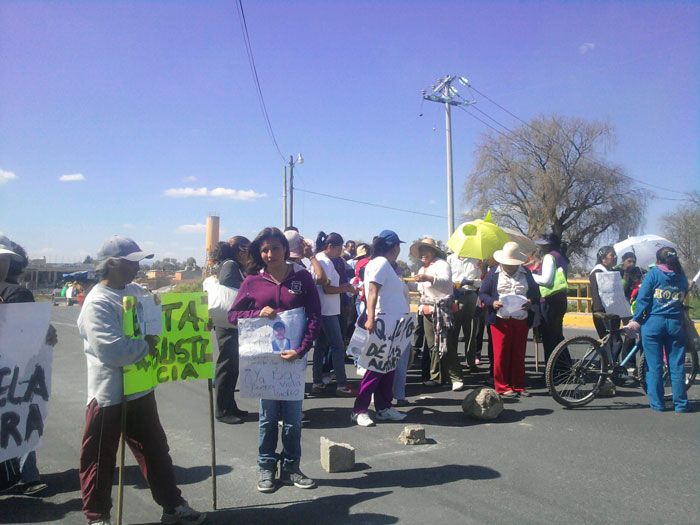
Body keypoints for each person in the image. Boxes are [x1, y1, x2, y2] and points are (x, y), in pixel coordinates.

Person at [77, 235, 205, 525]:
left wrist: (190, 320)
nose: (137, 268)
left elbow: (158, 315)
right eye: (131, 263)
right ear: (110, 264)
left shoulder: (134, 291)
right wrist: (148, 344)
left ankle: (173, 506)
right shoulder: (97, 303)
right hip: (108, 392)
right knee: (99, 458)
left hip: (139, 388)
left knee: (156, 450)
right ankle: (97, 517)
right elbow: (113, 351)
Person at [228, 227, 321, 492]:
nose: (270, 254)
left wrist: (302, 349)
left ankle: (292, 466)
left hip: (293, 359)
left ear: (285, 249)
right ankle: (266, 467)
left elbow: (315, 316)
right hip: (264, 363)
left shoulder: (302, 278)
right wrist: (258, 312)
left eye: (275, 248)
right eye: (265, 250)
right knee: (268, 418)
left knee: (293, 418)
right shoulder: (251, 282)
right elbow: (234, 316)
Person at [0, 240, 58, 496]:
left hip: (11, 374)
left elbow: (33, 333)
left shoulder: (12, 294)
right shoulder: (17, 293)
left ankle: (23, 474)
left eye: (5, 260)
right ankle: (26, 475)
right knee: (18, 417)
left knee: (15, 416)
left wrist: (44, 331)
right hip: (14, 373)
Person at [351, 230, 409, 426]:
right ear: (394, 247)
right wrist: (371, 318)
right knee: (375, 367)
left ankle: (384, 407)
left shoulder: (384, 264)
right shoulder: (381, 263)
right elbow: (373, 291)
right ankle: (360, 409)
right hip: (383, 322)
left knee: (388, 366)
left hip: (393, 323)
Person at [625, 247, 690, 413]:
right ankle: (681, 404)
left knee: (654, 366)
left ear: (658, 260)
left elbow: (643, 299)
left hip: (654, 323)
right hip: (675, 325)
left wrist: (636, 319)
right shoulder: (681, 277)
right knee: (677, 365)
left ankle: (658, 404)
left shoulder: (653, 275)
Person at [479, 242, 541, 398]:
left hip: (521, 318)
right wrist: (492, 303)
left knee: (518, 353)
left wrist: (530, 302)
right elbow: (483, 293)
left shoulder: (526, 273)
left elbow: (535, 293)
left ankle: (518, 385)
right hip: (500, 319)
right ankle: (502, 386)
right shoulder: (493, 273)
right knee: (501, 354)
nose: (510, 267)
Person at [412, 237, 463, 390]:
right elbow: (420, 289)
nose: (422, 254)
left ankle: (456, 376)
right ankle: (437, 376)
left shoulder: (442, 265)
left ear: (433, 251)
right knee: (433, 345)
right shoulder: (422, 269)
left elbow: (446, 283)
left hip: (442, 309)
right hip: (427, 309)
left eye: (425, 250)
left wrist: (428, 278)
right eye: (421, 251)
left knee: (446, 344)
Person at [310, 231, 357, 396]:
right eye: (339, 248)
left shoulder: (324, 260)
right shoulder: (325, 261)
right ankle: (341, 385)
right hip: (327, 310)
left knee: (321, 347)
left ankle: (317, 382)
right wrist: (346, 288)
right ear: (330, 247)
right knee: (337, 346)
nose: (340, 251)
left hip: (325, 309)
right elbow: (327, 288)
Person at [212, 238, 250, 424]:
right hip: (226, 324)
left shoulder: (233, 265)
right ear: (240, 251)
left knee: (232, 366)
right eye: (247, 251)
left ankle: (229, 405)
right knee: (227, 365)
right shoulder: (230, 265)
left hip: (230, 323)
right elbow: (229, 288)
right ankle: (222, 410)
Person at [532, 233, 570, 364]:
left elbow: (546, 281)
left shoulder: (549, 257)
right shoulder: (562, 256)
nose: (540, 247)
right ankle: (564, 367)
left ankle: (552, 370)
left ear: (548, 245)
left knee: (549, 338)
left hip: (549, 301)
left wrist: (532, 276)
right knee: (557, 336)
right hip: (560, 300)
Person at [446, 251, 482, 371]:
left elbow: (481, 281)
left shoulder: (476, 260)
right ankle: (453, 363)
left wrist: (470, 282)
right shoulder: (450, 259)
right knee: (453, 331)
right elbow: (445, 279)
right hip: (455, 296)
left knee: (471, 330)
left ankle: (471, 362)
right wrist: (455, 285)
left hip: (471, 295)